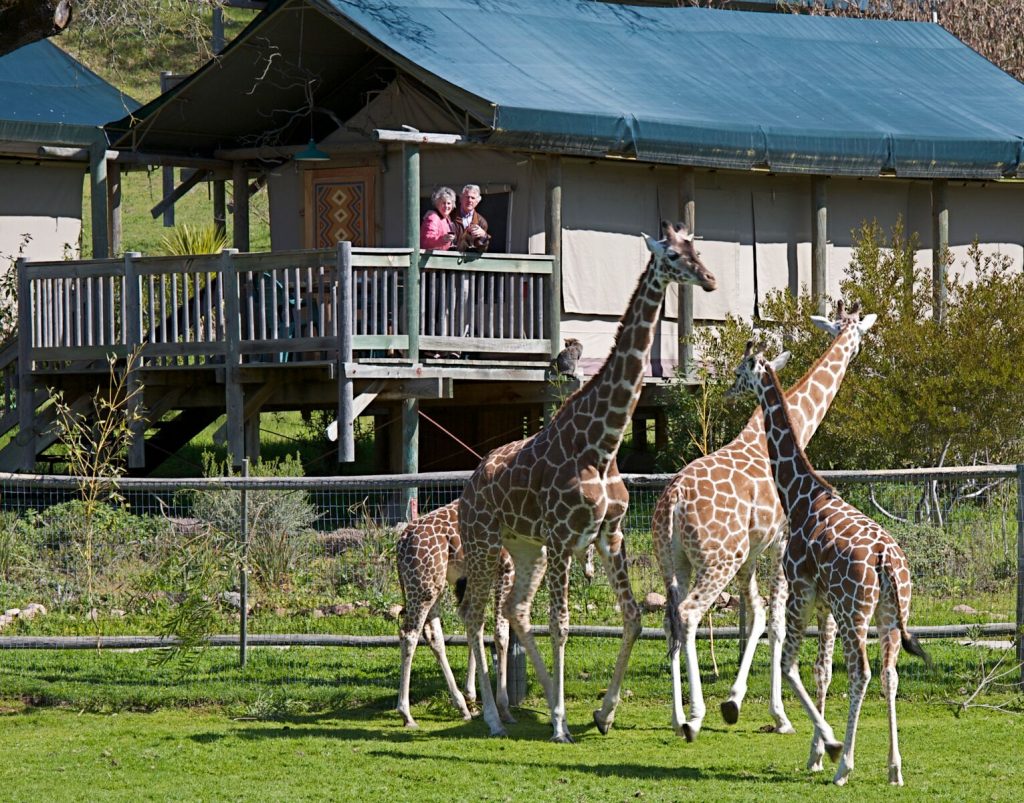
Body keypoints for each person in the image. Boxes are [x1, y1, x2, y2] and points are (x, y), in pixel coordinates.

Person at [451, 183, 491, 251]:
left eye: (473, 198)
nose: (470, 200)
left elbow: (481, 250)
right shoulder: (450, 215)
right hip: (448, 258)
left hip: (468, 260)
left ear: (477, 201)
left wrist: (484, 236)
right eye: (467, 197)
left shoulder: (481, 222)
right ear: (461, 199)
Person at [420, 186, 457, 250]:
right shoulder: (433, 217)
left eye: (449, 203)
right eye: (443, 203)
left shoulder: (447, 219)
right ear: (437, 204)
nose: (446, 206)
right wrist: (443, 239)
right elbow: (427, 241)